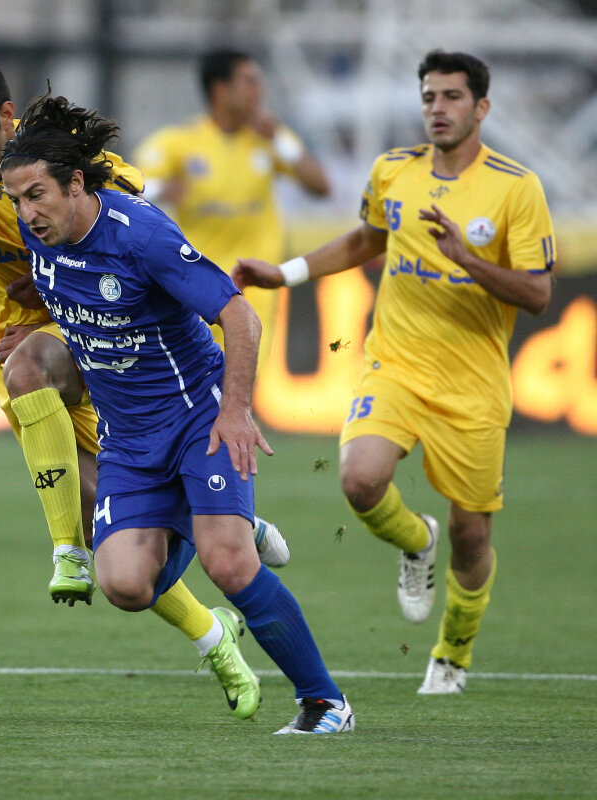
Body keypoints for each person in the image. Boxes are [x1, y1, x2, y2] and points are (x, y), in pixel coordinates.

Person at [0, 51, 287, 718]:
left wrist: (51, 284)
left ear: (6, 118)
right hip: (16, 344)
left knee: (33, 380)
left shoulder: (64, 162)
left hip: (100, 337)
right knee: (110, 523)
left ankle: (67, 551)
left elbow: (130, 234)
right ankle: (215, 631)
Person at [1, 93, 353, 734]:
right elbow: (78, 291)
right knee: (125, 585)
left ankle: (325, 703)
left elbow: (240, 317)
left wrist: (235, 411)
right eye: (16, 199)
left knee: (228, 564)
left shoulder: (143, 235)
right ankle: (215, 515)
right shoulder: (39, 233)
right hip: (127, 437)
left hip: (196, 416)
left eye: (36, 196)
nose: (26, 212)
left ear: (75, 183)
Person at [233, 50, 554, 695]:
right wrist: (287, 272)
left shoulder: (516, 187)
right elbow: (367, 239)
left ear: (482, 107)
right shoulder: (393, 170)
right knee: (359, 479)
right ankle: (415, 540)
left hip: (473, 382)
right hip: (395, 364)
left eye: (452, 97)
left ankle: (452, 655)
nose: (438, 108)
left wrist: (465, 257)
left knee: (472, 534)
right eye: (430, 96)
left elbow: (538, 294)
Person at [133, 48, 329, 357]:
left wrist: (279, 139)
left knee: (244, 381)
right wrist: (162, 189)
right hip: (194, 286)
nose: (259, 91)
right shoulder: (181, 142)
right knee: (199, 381)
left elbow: (321, 186)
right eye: (249, 81)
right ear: (220, 89)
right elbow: (130, 187)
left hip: (253, 288)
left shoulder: (270, 140)